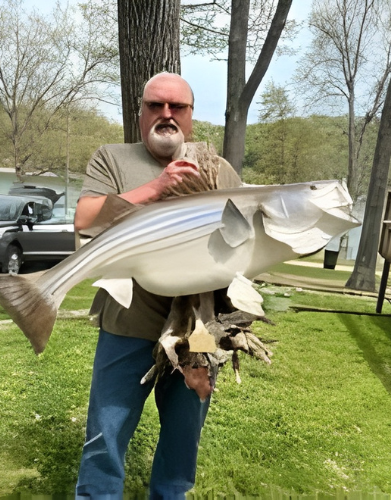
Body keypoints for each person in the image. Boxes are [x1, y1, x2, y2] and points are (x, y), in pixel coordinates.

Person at [74, 72, 241, 499]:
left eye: (177, 107)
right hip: (126, 323)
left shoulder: (217, 168)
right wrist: (156, 187)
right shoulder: (112, 158)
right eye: (155, 105)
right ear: (141, 111)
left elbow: (243, 236)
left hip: (196, 335)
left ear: (190, 116)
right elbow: (86, 218)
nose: (166, 115)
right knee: (106, 436)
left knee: (183, 441)